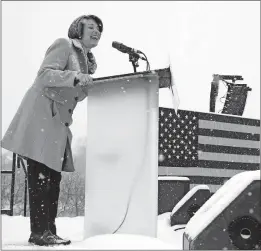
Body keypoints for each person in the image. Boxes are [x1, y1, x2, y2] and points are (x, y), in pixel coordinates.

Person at [1, 14, 103, 246]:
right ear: (78, 30)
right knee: (41, 176)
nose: (96, 31)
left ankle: (48, 230)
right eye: (91, 27)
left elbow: (74, 92)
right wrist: (76, 77)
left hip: (58, 122)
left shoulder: (85, 59)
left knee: (52, 179)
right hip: (43, 117)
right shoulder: (64, 45)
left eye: (99, 29)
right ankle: (39, 232)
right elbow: (45, 74)